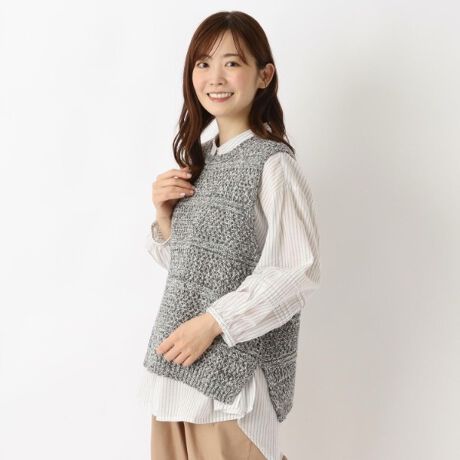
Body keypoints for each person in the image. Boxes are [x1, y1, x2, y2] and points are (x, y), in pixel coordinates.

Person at [137, 10, 320, 460]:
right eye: (203, 63)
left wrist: (212, 323)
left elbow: (296, 272)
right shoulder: (200, 161)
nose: (215, 77)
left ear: (264, 75)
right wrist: (165, 217)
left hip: (229, 384)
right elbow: (194, 269)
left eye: (232, 63)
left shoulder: (273, 164)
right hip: (174, 376)